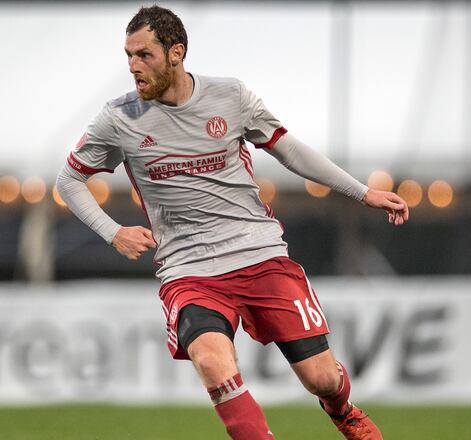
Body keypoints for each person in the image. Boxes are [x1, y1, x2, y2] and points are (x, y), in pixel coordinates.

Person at [56, 6, 409, 440]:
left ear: (176, 53)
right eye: (128, 55)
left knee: (321, 379)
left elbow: (288, 149)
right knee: (212, 362)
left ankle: (343, 411)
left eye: (144, 55)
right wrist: (113, 233)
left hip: (259, 254)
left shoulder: (230, 96)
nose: (132, 66)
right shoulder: (118, 118)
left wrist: (363, 192)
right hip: (189, 271)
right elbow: (69, 180)